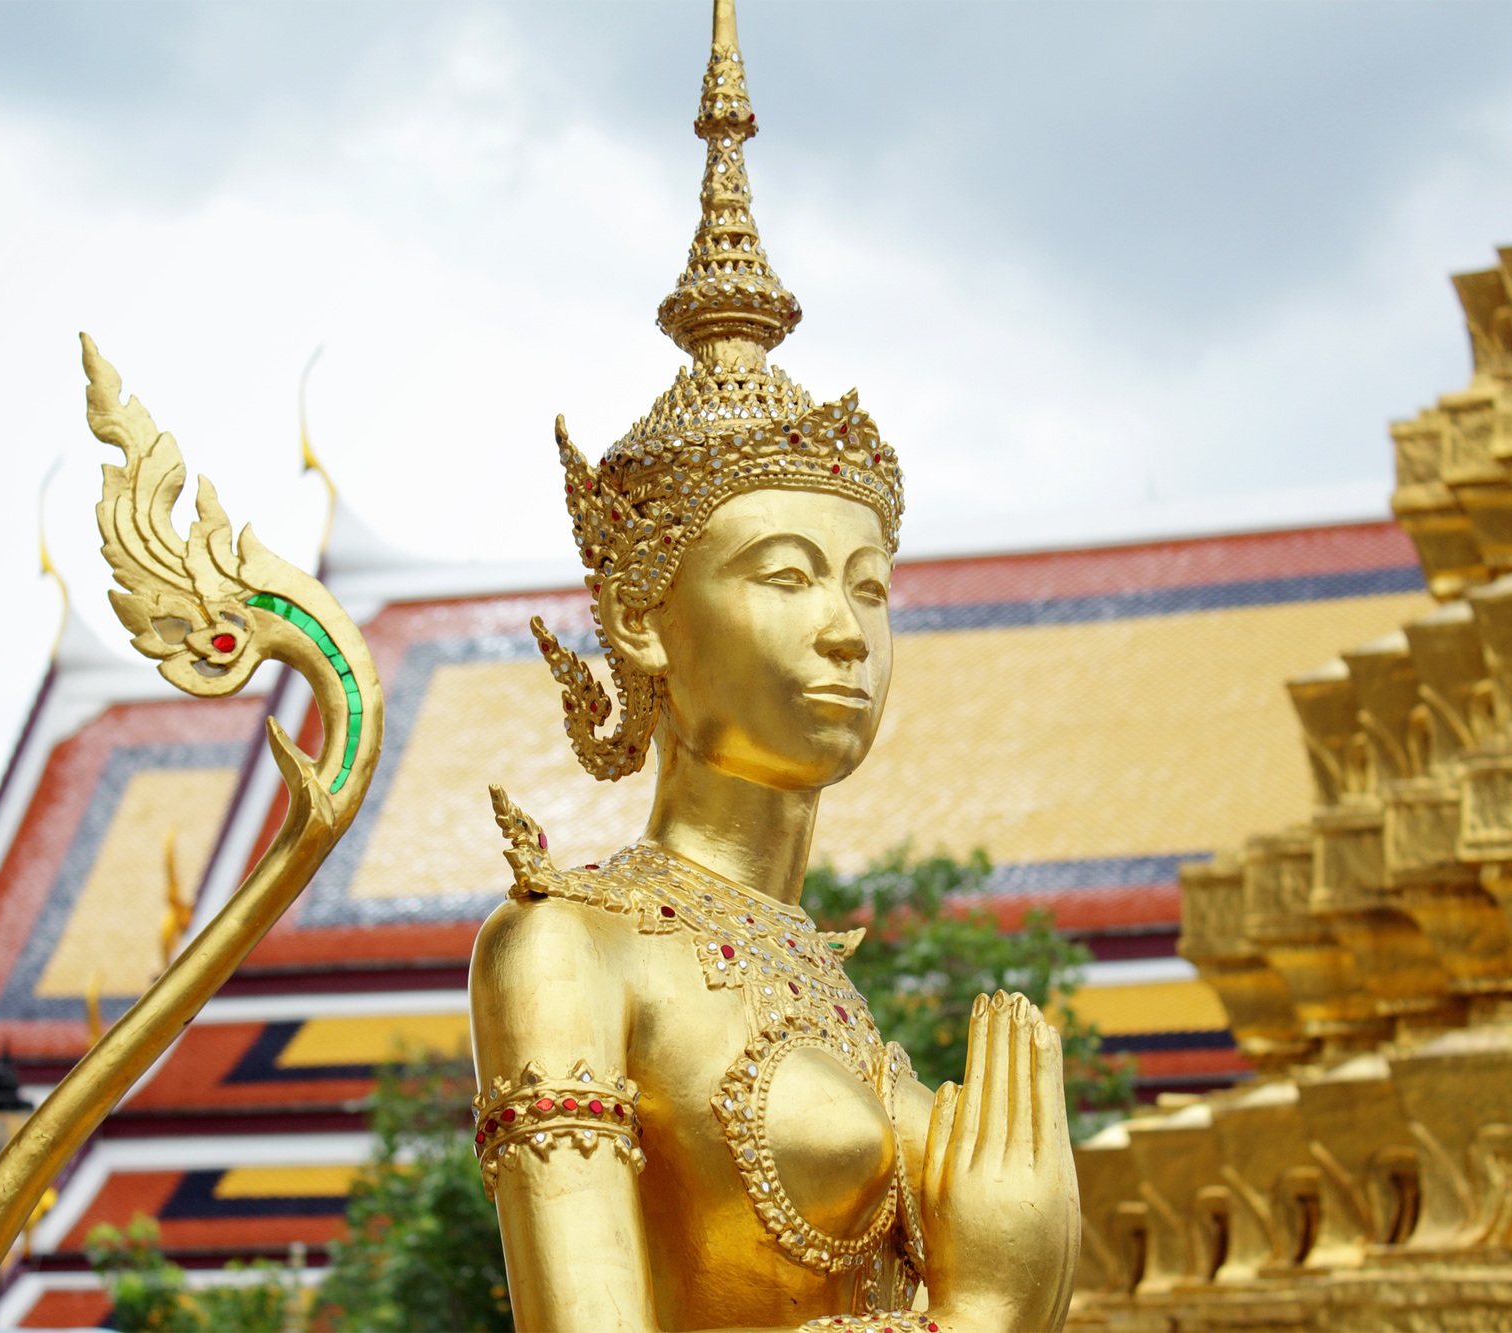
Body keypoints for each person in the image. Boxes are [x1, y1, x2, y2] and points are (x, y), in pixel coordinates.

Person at [468, 5, 1079, 1329]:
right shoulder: (566, 948)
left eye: (871, 584)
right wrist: (987, 1312)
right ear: (643, 619)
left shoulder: (835, 996)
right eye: (788, 575)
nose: (849, 629)